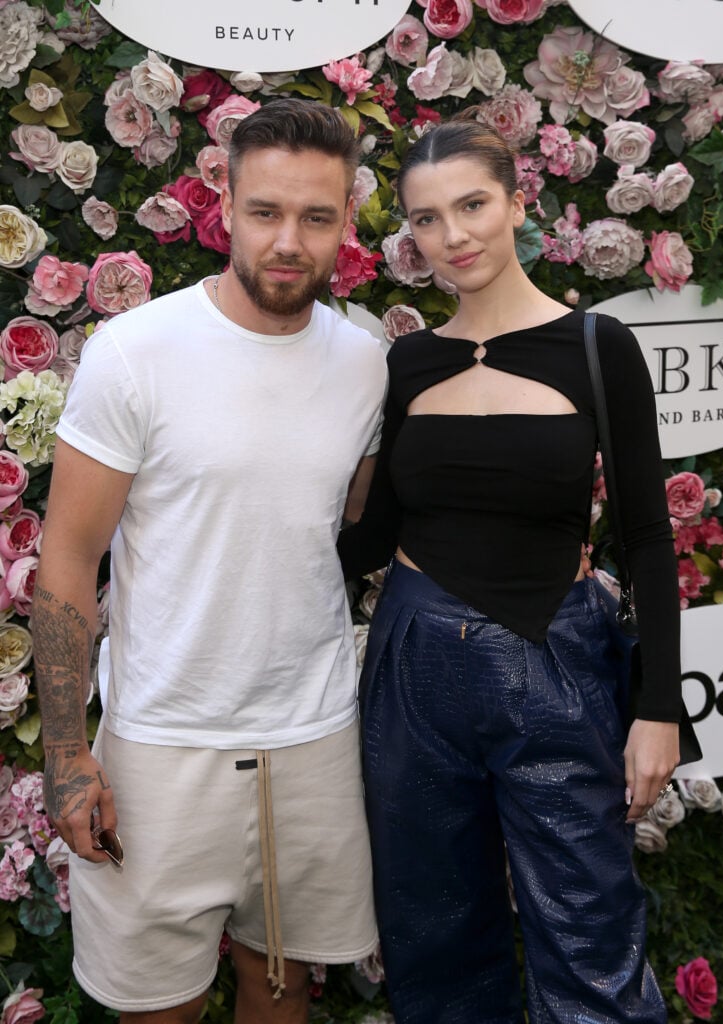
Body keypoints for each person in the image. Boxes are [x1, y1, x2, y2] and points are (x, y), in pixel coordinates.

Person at [33, 98, 387, 1024]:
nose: (287, 241)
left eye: (316, 218)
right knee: (159, 1010)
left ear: (346, 220)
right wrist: (69, 756)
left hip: (314, 735)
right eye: (266, 211)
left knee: (286, 987)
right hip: (162, 743)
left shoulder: (365, 363)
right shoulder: (136, 352)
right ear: (223, 202)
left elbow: (346, 525)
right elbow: (68, 560)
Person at [337, 116, 682, 1024]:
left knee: (592, 938)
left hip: (556, 661)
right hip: (413, 664)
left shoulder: (599, 347)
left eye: (472, 205)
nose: (453, 236)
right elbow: (368, 543)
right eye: (425, 219)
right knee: (434, 937)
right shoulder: (404, 364)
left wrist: (658, 709)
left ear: (519, 202)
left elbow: (648, 532)